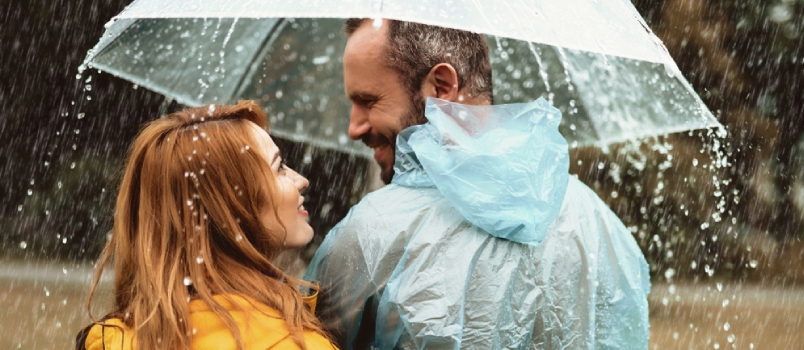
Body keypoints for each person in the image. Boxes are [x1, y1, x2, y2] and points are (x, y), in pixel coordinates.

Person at [304, 19, 651, 349]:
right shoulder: (596, 221)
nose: (354, 128)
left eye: (368, 101)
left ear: (441, 87)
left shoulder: (368, 236)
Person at [76, 101, 336, 350]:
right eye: (279, 167)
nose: (301, 180)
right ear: (232, 203)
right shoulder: (299, 344)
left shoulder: (109, 342)